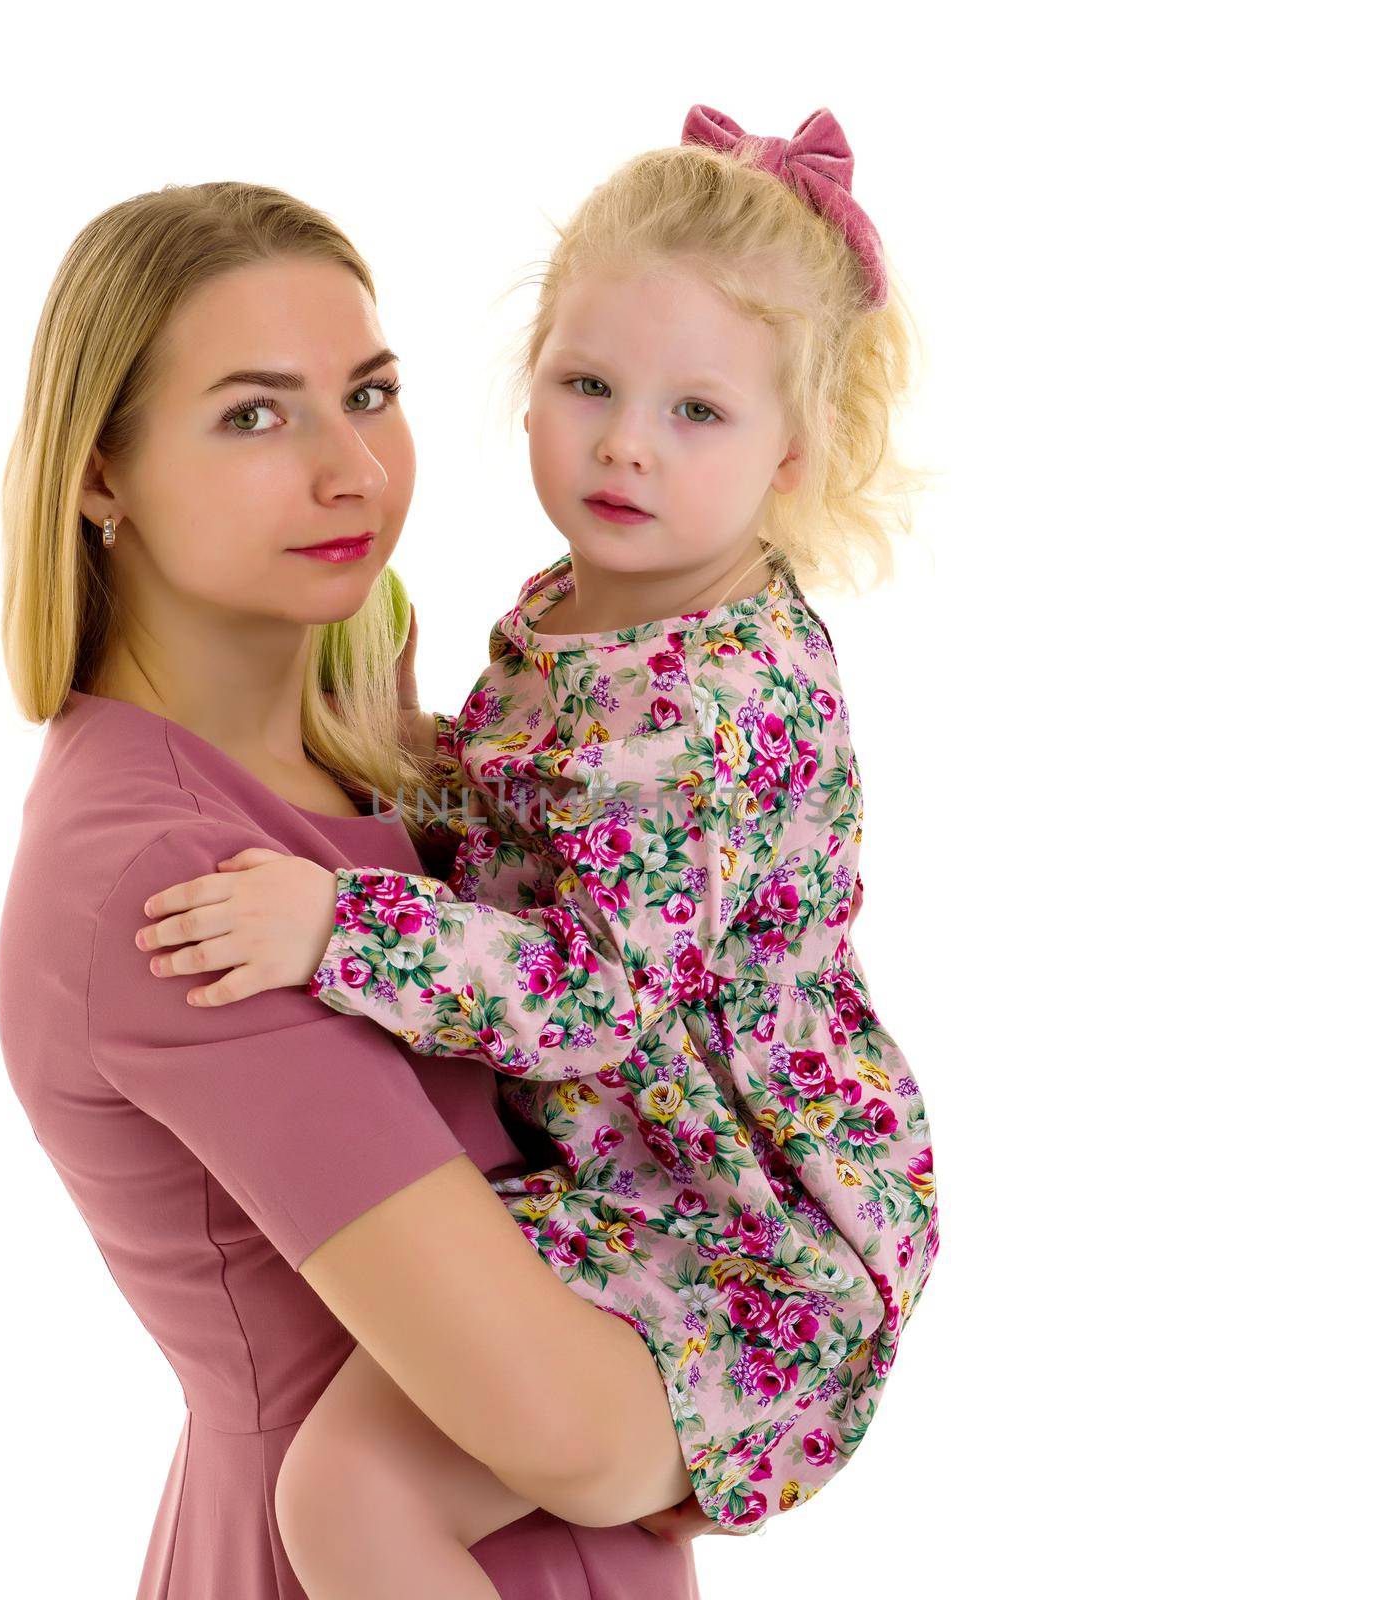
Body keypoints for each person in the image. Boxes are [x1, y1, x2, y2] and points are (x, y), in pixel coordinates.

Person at [132, 109, 939, 1596]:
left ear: (792, 458)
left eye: (697, 412)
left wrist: (338, 926)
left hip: (735, 1242)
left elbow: (593, 992)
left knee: (354, 1504)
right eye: (589, 384)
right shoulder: (589, 601)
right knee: (351, 1485)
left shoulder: (706, 704)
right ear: (526, 390)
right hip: (611, 1184)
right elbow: (530, 838)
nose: (626, 440)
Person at [0, 179, 708, 1600]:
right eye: (255, 415)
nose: (353, 473)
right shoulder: (167, 880)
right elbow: (561, 1428)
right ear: (99, 474)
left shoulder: (387, 749)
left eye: (369, 394)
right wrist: (791, 1368)